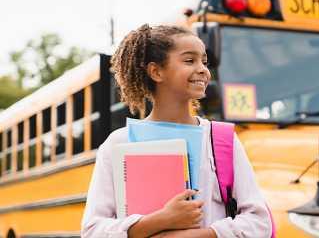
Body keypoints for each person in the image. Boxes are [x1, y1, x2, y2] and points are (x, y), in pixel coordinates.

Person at [80, 24, 272, 238]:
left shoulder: (221, 139)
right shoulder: (119, 143)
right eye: (190, 60)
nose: (203, 69)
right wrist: (161, 220)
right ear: (156, 72)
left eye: (204, 62)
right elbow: (92, 230)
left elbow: (260, 222)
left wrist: (200, 235)